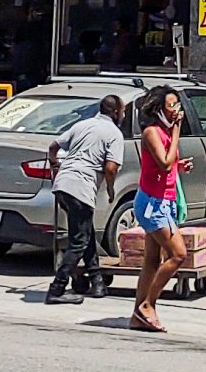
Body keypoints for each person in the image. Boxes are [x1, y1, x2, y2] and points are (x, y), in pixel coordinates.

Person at [44, 94, 126, 304]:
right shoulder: (114, 134)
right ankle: (57, 289)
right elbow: (110, 167)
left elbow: (53, 147)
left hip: (63, 185)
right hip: (81, 188)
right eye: (123, 111)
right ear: (115, 112)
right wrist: (109, 189)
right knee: (79, 241)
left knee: (86, 233)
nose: (123, 115)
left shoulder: (82, 125)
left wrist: (55, 166)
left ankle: (97, 281)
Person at [129, 86, 193, 333]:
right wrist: (177, 130)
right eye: (171, 105)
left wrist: (181, 166)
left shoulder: (164, 133)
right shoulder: (152, 132)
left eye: (178, 105)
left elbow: (169, 165)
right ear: (158, 110)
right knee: (178, 254)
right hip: (152, 204)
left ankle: (138, 314)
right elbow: (164, 163)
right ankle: (148, 305)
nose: (177, 110)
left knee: (153, 259)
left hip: (164, 201)